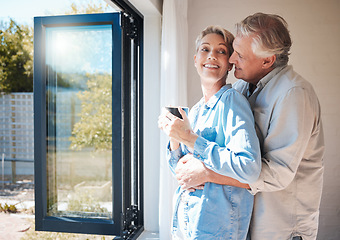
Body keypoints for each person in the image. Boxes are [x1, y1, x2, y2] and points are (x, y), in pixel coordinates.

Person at [175, 13, 325, 240]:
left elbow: (277, 174)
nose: (232, 59)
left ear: (267, 61)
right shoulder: (242, 88)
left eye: (240, 55)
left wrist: (207, 173)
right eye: (233, 50)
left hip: (282, 227)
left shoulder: (294, 95)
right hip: (245, 222)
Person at [158, 26, 261, 239]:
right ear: (196, 59)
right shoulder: (195, 111)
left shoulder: (232, 103)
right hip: (187, 227)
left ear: (230, 63)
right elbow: (181, 174)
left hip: (218, 231)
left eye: (221, 51)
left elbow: (249, 167)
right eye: (205, 49)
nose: (212, 55)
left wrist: (190, 138)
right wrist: (175, 138)